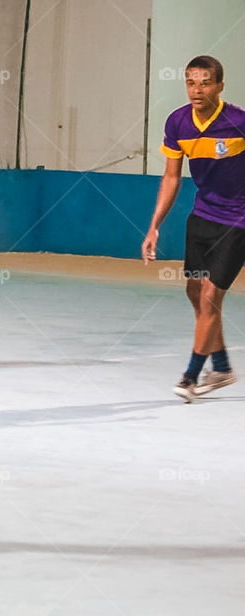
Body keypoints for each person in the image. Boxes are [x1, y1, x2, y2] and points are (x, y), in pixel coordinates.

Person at [142, 55, 244, 402]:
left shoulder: (238, 122)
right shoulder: (178, 123)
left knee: (212, 295)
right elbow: (171, 177)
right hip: (202, 217)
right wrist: (154, 226)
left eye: (204, 82)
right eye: (190, 82)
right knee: (194, 293)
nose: (196, 90)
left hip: (238, 221)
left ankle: (190, 376)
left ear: (219, 86)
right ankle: (222, 367)